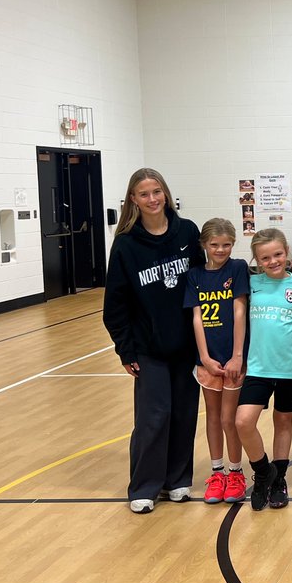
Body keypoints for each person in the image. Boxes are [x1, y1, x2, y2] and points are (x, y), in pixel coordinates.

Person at [103, 168, 202, 514]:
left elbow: (205, 284)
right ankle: (144, 485)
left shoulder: (187, 232)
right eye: (144, 194)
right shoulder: (127, 244)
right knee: (153, 417)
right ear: (133, 199)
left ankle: (177, 479)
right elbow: (114, 303)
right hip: (149, 348)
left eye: (156, 191)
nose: (152, 199)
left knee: (184, 414)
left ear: (165, 192)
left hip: (188, 346)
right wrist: (124, 349)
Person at [235, 229, 292, 510]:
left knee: (283, 422)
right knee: (243, 421)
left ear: (287, 250)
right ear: (257, 259)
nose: (273, 260)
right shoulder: (251, 284)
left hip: (291, 366)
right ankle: (265, 472)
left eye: (278, 254)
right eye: (265, 257)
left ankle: (280, 479)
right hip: (258, 367)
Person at [183, 218, 250, 505]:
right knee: (212, 416)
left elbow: (239, 312)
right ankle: (217, 472)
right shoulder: (195, 274)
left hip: (233, 359)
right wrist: (205, 358)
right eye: (214, 245)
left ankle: (236, 472)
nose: (221, 249)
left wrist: (237, 356)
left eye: (227, 244)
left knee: (228, 418)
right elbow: (196, 318)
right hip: (208, 361)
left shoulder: (237, 269)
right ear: (203, 245)